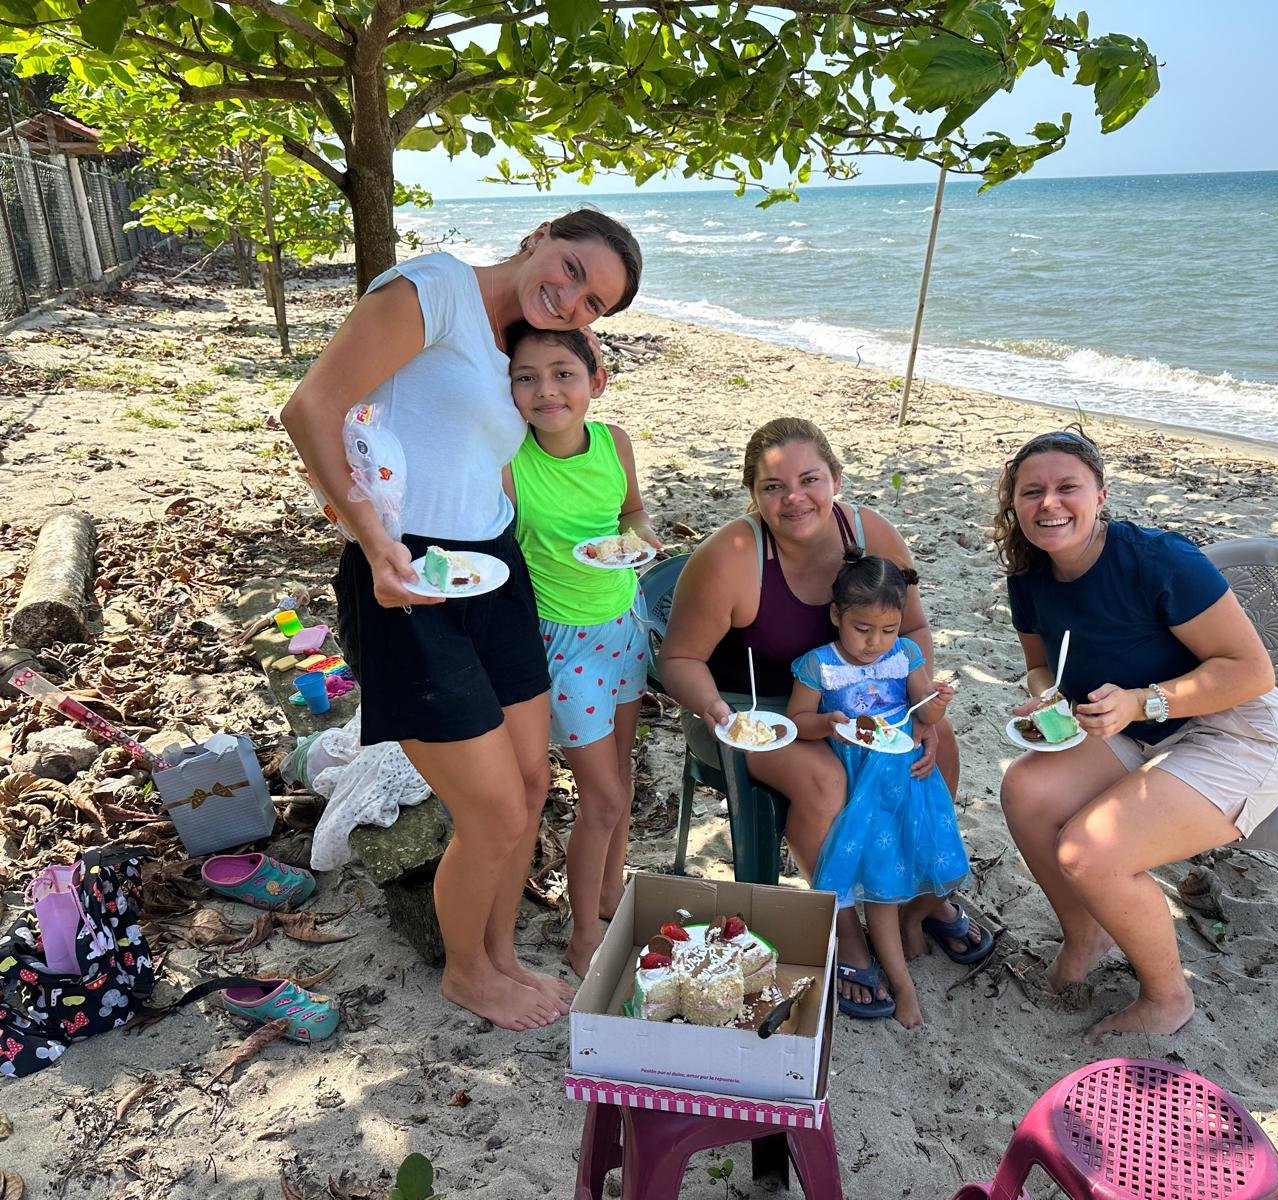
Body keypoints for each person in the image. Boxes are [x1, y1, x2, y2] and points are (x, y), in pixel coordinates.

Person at [281, 210, 642, 1031]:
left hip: (496, 570)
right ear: (540, 234)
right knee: (495, 812)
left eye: (593, 304)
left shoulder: (519, 339)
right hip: (407, 574)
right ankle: (467, 973)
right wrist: (371, 539)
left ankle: (501, 956)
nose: (572, 298)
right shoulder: (437, 288)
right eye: (573, 269)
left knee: (531, 785)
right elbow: (311, 407)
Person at [660, 417, 991, 1019]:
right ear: (753, 494)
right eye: (773, 486)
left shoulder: (870, 533)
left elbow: (913, 629)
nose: (794, 498)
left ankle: (917, 896)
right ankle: (843, 924)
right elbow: (680, 659)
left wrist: (920, 709)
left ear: (835, 479)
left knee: (940, 745)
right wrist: (715, 710)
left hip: (860, 700)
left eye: (809, 479)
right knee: (825, 780)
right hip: (747, 711)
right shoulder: (733, 555)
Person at [994, 427, 1278, 1040]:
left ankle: (1167, 997)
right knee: (1024, 791)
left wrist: (1142, 701)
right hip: (1131, 724)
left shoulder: (1159, 560)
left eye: (1067, 487)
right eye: (1031, 492)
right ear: (1015, 505)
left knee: (1089, 852)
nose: (1049, 504)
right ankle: (1086, 934)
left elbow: (1251, 671)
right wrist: (1047, 695)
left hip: (1234, 728)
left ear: (1100, 496)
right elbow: (1040, 665)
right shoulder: (1028, 576)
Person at [502, 322, 661, 977]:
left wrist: (639, 540)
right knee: (602, 797)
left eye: (563, 374)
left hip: (624, 624)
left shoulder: (614, 443)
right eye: (527, 377)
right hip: (562, 646)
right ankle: (584, 932)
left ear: (596, 381)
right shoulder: (510, 462)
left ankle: (608, 895)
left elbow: (631, 515)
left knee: (620, 779)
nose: (546, 391)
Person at [787, 551, 966, 1028]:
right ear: (836, 615)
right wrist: (826, 722)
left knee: (938, 868)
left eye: (888, 630)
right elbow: (796, 721)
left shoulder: (904, 654)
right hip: (862, 785)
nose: (875, 643)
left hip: (909, 779)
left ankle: (915, 920)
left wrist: (938, 704)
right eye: (862, 629)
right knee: (883, 887)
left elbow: (923, 712)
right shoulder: (820, 665)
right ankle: (902, 983)